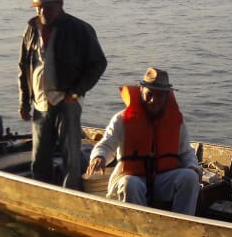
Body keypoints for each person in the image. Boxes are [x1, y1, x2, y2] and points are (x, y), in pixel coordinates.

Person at [19, 0, 107, 191]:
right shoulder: (31, 29)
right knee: (40, 156)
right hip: (40, 102)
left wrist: (76, 92)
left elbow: (98, 63)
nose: (42, 12)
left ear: (60, 5)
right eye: (38, 8)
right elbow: (24, 66)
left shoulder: (79, 29)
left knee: (71, 156)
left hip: (68, 100)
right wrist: (23, 101)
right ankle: (42, 192)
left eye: (47, 8)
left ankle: (72, 192)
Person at [86, 67, 201, 215]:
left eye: (159, 96)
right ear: (141, 91)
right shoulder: (122, 119)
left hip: (161, 180)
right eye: (149, 94)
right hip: (131, 178)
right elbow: (107, 143)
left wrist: (192, 167)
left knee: (190, 178)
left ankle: (183, 223)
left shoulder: (177, 121)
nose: (154, 100)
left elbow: (186, 152)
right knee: (131, 184)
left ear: (167, 96)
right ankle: (139, 227)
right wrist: (99, 157)